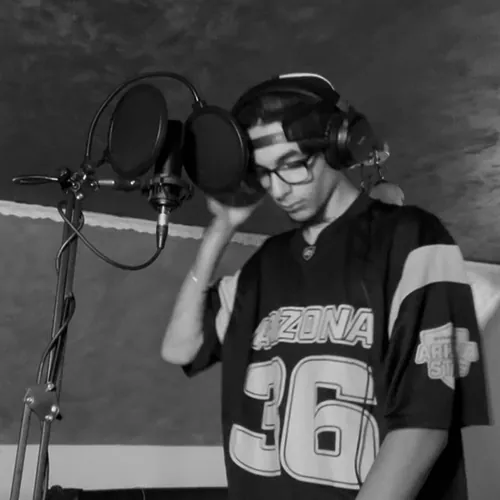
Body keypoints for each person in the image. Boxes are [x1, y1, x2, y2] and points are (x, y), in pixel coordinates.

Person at [161, 72, 490, 499]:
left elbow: (423, 428)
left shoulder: (414, 239)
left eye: (292, 164)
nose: (278, 189)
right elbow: (180, 349)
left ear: (338, 147)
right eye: (263, 172)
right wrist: (220, 229)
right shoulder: (264, 266)